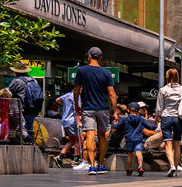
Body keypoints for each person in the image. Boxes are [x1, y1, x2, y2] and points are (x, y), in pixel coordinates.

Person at [72, 46, 117, 175]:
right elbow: (112, 93)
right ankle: (101, 165)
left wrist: (76, 105)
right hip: (103, 108)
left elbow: (76, 90)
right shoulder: (106, 73)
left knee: (90, 136)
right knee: (102, 136)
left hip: (88, 108)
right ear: (101, 57)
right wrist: (114, 111)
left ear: (89, 56)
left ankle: (92, 166)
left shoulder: (82, 71)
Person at [157, 67, 182, 177]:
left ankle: (171, 165)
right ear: (177, 77)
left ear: (167, 77)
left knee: (168, 143)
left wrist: (158, 117)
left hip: (166, 117)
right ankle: (175, 169)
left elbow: (159, 107)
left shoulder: (163, 90)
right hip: (178, 118)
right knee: (177, 144)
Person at [112, 102, 155, 176]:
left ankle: (129, 170)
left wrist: (114, 123)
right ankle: (140, 167)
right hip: (138, 139)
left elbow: (117, 126)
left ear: (128, 110)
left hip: (129, 139)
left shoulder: (125, 119)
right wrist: (155, 125)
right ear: (138, 111)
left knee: (129, 155)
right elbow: (150, 127)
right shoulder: (141, 119)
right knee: (139, 153)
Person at [7, 62, 43, 142]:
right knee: (29, 127)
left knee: (20, 128)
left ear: (16, 72)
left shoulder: (16, 81)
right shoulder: (34, 80)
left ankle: (24, 142)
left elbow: (9, 93)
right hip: (33, 109)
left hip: (22, 109)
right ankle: (30, 143)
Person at [52, 89, 83, 168]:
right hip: (72, 121)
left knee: (72, 141)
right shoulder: (77, 96)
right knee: (78, 140)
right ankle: (76, 160)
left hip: (65, 121)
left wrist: (66, 106)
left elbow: (58, 100)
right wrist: (79, 121)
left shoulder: (68, 94)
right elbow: (77, 110)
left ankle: (60, 157)